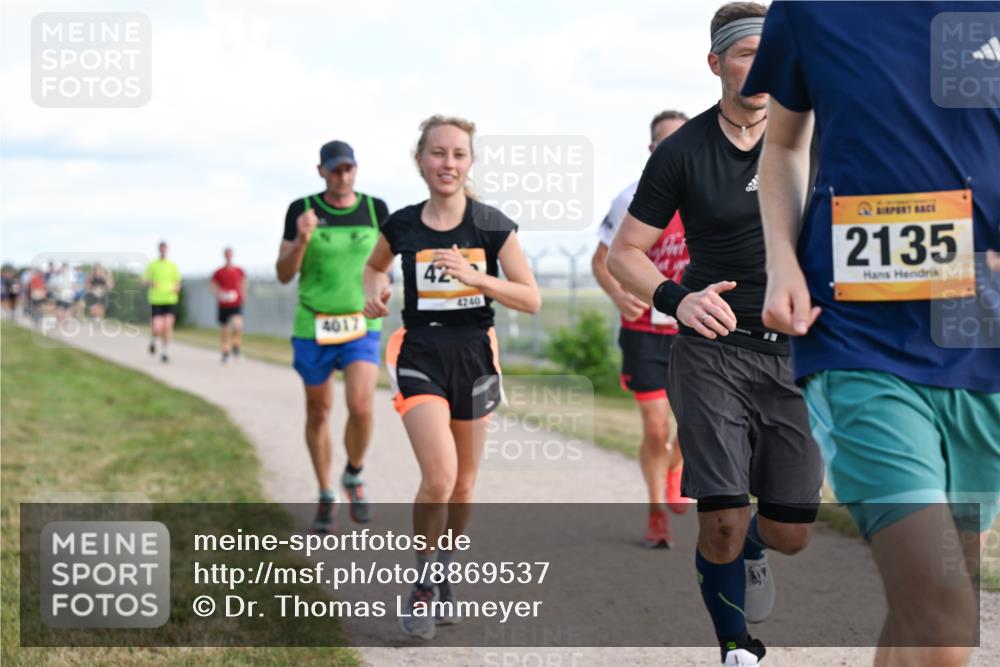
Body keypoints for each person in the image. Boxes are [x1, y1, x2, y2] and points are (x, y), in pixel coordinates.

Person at [744, 2, 1000, 665]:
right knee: (944, 620)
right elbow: (783, 143)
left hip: (984, 334)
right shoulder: (811, 11)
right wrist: (781, 263)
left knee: (930, 606)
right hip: (857, 332)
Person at [606, 3, 824, 665]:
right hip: (712, 353)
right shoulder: (682, 151)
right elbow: (625, 253)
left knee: (789, 532)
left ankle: (757, 548)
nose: (758, 68)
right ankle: (738, 646)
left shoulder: (817, 137)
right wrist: (679, 298)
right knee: (721, 516)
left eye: (769, 53)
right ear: (715, 63)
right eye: (743, 54)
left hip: (793, 353)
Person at [363, 115, 540, 640]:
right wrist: (373, 294)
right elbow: (374, 268)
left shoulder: (490, 225)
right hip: (420, 353)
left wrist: (476, 277)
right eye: (438, 153)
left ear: (470, 162)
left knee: (463, 486)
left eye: (458, 154)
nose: (448, 163)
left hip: (475, 356)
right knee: (439, 476)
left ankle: (445, 568)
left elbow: (530, 298)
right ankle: (421, 580)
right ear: (421, 161)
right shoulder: (401, 225)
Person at [592, 109, 693, 548]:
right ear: (651, 151)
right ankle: (656, 512)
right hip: (644, 331)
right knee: (655, 427)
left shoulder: (711, 192)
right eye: (663, 144)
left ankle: (676, 466)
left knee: (692, 424)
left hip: (696, 328)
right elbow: (601, 261)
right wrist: (618, 295)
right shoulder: (630, 199)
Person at [276, 140, 389, 529]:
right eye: (336, 169)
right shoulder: (301, 210)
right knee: (319, 411)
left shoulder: (376, 209)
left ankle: (353, 473)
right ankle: (326, 492)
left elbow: (387, 265)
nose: (343, 176)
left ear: (356, 170)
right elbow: (284, 273)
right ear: (321, 171)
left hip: (362, 324)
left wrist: (383, 291)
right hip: (314, 324)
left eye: (349, 169)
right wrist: (303, 240)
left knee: (361, 406)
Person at [142, 241, 181, 363]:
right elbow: (144, 280)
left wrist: (176, 288)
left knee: (168, 326)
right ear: (159, 250)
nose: (163, 251)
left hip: (170, 299)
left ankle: (165, 352)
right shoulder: (153, 265)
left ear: (167, 250)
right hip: (156, 300)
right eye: (161, 249)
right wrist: (151, 283)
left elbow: (178, 282)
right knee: (157, 327)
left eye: (165, 249)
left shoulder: (173, 266)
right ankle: (153, 340)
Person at [211, 248, 247, 363]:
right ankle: (225, 351)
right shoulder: (219, 272)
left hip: (236, 302)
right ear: (224, 256)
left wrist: (243, 293)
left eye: (230, 255)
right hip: (224, 304)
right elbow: (213, 285)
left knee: (237, 325)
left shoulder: (239, 270)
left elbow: (244, 283)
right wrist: (219, 294)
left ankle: (236, 346)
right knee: (225, 330)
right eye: (227, 255)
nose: (229, 257)